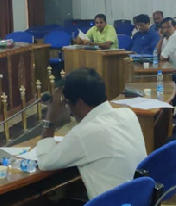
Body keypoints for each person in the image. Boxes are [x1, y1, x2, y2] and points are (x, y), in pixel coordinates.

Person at [37, 68, 147, 199]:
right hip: (139, 201)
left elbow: (45, 162)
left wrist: (50, 120)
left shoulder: (84, 133)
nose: (68, 108)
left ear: (79, 103)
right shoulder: (127, 114)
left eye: (68, 102)